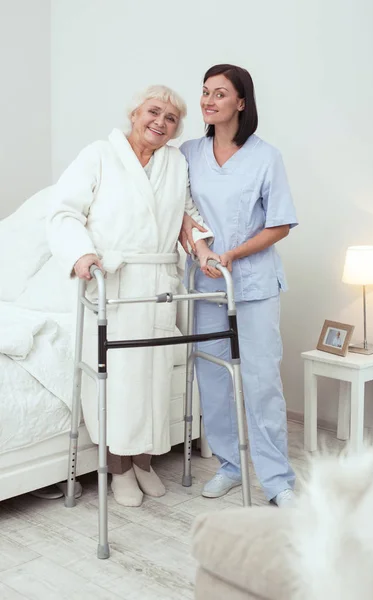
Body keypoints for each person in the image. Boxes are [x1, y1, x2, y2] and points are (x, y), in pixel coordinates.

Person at [48, 85, 218, 507]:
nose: (160, 122)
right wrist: (82, 253)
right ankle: (117, 467)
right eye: (153, 112)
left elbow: (186, 215)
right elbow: (65, 211)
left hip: (158, 286)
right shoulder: (98, 155)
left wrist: (203, 248)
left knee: (154, 381)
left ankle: (142, 462)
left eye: (171, 118)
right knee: (119, 383)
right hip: (115, 283)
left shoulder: (175, 164)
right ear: (134, 114)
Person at [180, 65, 298, 507]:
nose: (209, 101)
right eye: (205, 93)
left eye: (220, 94)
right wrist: (202, 252)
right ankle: (230, 466)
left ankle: (277, 481)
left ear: (241, 103)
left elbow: (281, 224)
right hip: (207, 283)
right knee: (213, 377)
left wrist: (233, 254)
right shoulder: (189, 152)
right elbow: (181, 213)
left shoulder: (266, 157)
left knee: (262, 381)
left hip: (254, 283)